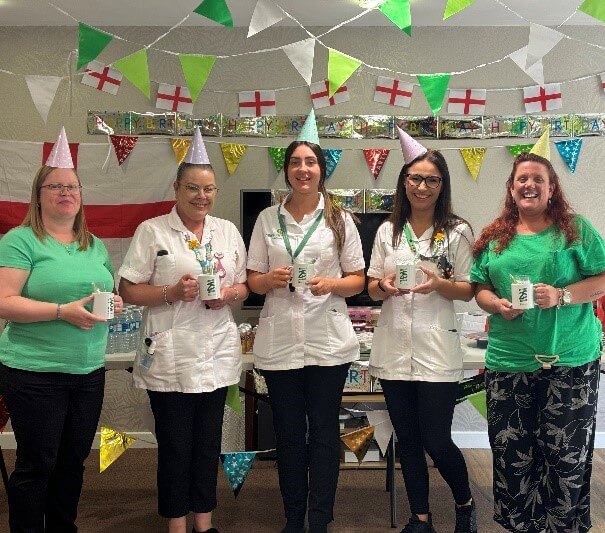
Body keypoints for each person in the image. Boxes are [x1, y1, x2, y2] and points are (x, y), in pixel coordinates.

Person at [469, 131, 605, 533]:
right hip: (509, 361)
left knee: (566, 457)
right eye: (521, 179)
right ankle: (520, 527)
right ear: (511, 189)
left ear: (552, 190)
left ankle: (564, 527)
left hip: (570, 359)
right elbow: (478, 288)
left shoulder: (576, 231)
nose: (529, 184)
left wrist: (563, 296)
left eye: (538, 179)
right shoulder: (494, 238)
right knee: (512, 454)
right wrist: (495, 304)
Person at [118, 128, 248, 533]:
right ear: (176, 188)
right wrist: (170, 292)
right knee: (175, 446)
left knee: (209, 445)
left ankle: (204, 523)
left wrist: (226, 295)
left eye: (209, 189)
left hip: (215, 353)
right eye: (192, 188)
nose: (201, 197)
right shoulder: (152, 230)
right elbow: (127, 288)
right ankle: (176, 524)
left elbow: (244, 285)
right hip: (170, 357)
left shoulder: (226, 231)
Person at [246, 110, 365, 533]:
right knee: (291, 437)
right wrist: (270, 278)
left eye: (310, 162)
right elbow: (252, 280)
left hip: (326, 341)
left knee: (323, 436)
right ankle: (293, 517)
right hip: (280, 344)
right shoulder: (266, 219)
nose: (303, 169)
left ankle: (320, 518)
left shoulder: (340, 219)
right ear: (287, 171)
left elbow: (358, 280)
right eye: (295, 162)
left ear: (321, 170)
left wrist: (331, 283)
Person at [0, 127, 123, 532]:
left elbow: (103, 292)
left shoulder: (93, 244)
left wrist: (115, 302)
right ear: (39, 195)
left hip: (87, 371)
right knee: (38, 464)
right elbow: (4, 302)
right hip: (35, 371)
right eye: (55, 186)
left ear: (81, 195)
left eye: (72, 186)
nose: (66, 193)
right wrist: (60, 311)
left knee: (72, 463)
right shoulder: (20, 241)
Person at [367, 128, 478, 533]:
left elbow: (469, 289)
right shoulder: (387, 231)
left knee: (436, 438)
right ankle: (420, 518)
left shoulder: (458, 232)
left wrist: (439, 285)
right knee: (407, 442)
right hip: (395, 348)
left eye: (432, 179)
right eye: (415, 178)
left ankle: (464, 504)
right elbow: (370, 286)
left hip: (436, 350)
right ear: (404, 183)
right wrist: (385, 286)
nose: (423, 186)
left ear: (442, 186)